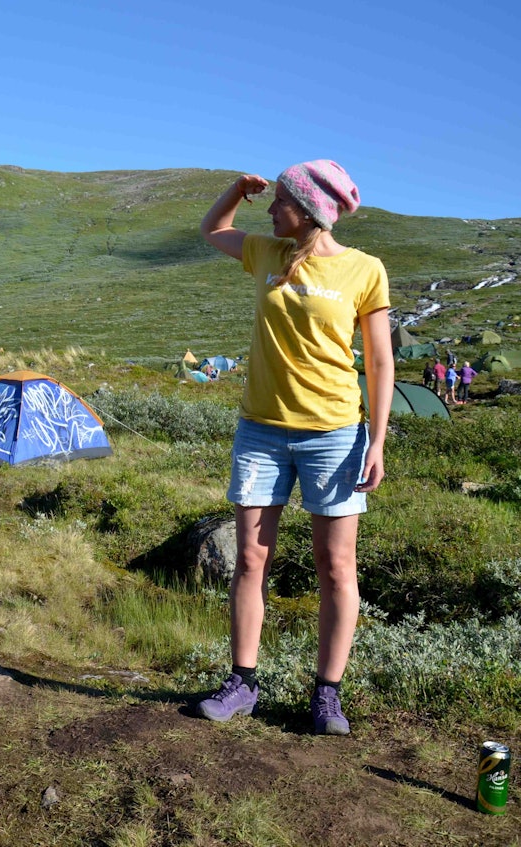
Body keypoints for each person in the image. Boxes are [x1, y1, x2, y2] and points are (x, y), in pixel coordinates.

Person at [196, 161, 393, 736]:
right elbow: (211, 231)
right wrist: (236, 190)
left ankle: (327, 694)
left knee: (335, 568)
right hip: (261, 430)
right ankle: (243, 683)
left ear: (309, 211)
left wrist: (377, 440)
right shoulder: (266, 252)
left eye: (280, 200)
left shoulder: (365, 269)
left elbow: (380, 362)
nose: (271, 208)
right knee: (251, 559)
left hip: (334, 434)